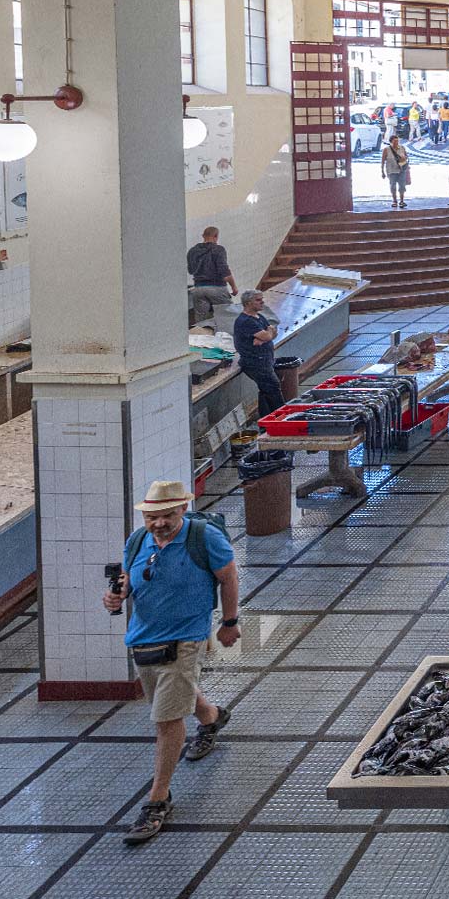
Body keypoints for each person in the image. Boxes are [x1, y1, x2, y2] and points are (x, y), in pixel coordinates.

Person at [102, 480, 240, 844]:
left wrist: (229, 624)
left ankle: (158, 799)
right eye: (152, 517)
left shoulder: (203, 538)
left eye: (166, 515)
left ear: (182, 510)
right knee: (172, 695)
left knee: (166, 718)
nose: (159, 523)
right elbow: (129, 579)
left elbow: (228, 578)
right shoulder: (137, 540)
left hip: (187, 636)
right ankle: (211, 718)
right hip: (144, 637)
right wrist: (116, 597)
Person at [233, 289, 281, 415]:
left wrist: (267, 335)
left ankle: (266, 420)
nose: (262, 302)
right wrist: (267, 335)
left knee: (266, 390)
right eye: (258, 300)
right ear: (248, 303)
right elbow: (267, 336)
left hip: (265, 360)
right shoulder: (246, 321)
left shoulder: (259, 317)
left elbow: (272, 332)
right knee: (273, 387)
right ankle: (280, 416)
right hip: (255, 362)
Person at [186, 226, 235, 322]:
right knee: (227, 317)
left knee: (202, 321)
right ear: (216, 236)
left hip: (199, 289)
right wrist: (234, 287)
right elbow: (224, 270)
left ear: (203, 236)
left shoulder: (192, 251)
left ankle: (203, 336)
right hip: (217, 288)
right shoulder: (219, 249)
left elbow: (191, 270)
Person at [381, 134, 411, 209]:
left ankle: (401, 201)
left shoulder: (402, 148)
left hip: (401, 170)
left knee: (402, 186)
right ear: (391, 142)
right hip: (391, 170)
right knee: (393, 186)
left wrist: (404, 158)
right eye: (395, 141)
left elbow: (406, 156)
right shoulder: (386, 150)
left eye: (397, 141)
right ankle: (394, 201)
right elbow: (383, 161)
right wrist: (382, 172)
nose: (396, 143)